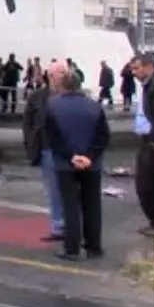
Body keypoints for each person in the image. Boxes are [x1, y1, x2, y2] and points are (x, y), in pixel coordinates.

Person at [44, 69, 109, 261]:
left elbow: (53, 138)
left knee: (70, 205)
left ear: (61, 85)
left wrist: (71, 156)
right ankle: (93, 247)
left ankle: (71, 248)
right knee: (92, 205)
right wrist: (90, 156)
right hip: (93, 164)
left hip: (65, 164)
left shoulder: (53, 106)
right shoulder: (94, 106)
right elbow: (103, 136)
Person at [22, 61, 68, 242]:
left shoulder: (72, 95)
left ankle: (73, 226)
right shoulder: (37, 97)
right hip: (47, 149)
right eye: (61, 73)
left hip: (69, 151)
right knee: (53, 190)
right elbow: (27, 121)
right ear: (50, 76)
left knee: (72, 191)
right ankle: (58, 227)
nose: (64, 76)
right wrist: (31, 144)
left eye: (66, 73)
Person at [132, 54, 154, 237]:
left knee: (148, 184)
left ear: (149, 66)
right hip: (149, 140)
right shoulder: (150, 84)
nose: (134, 73)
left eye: (137, 68)